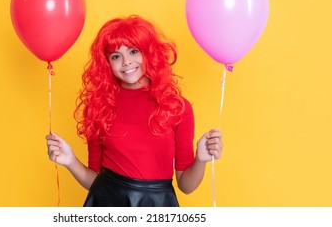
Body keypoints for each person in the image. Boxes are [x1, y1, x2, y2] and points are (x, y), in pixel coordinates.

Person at [46, 15, 223, 207]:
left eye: (133, 51)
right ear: (106, 63)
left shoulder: (177, 108)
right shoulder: (98, 107)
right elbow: (95, 181)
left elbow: (186, 185)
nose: (126, 62)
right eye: (116, 56)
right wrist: (70, 161)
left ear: (149, 52)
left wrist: (201, 159)